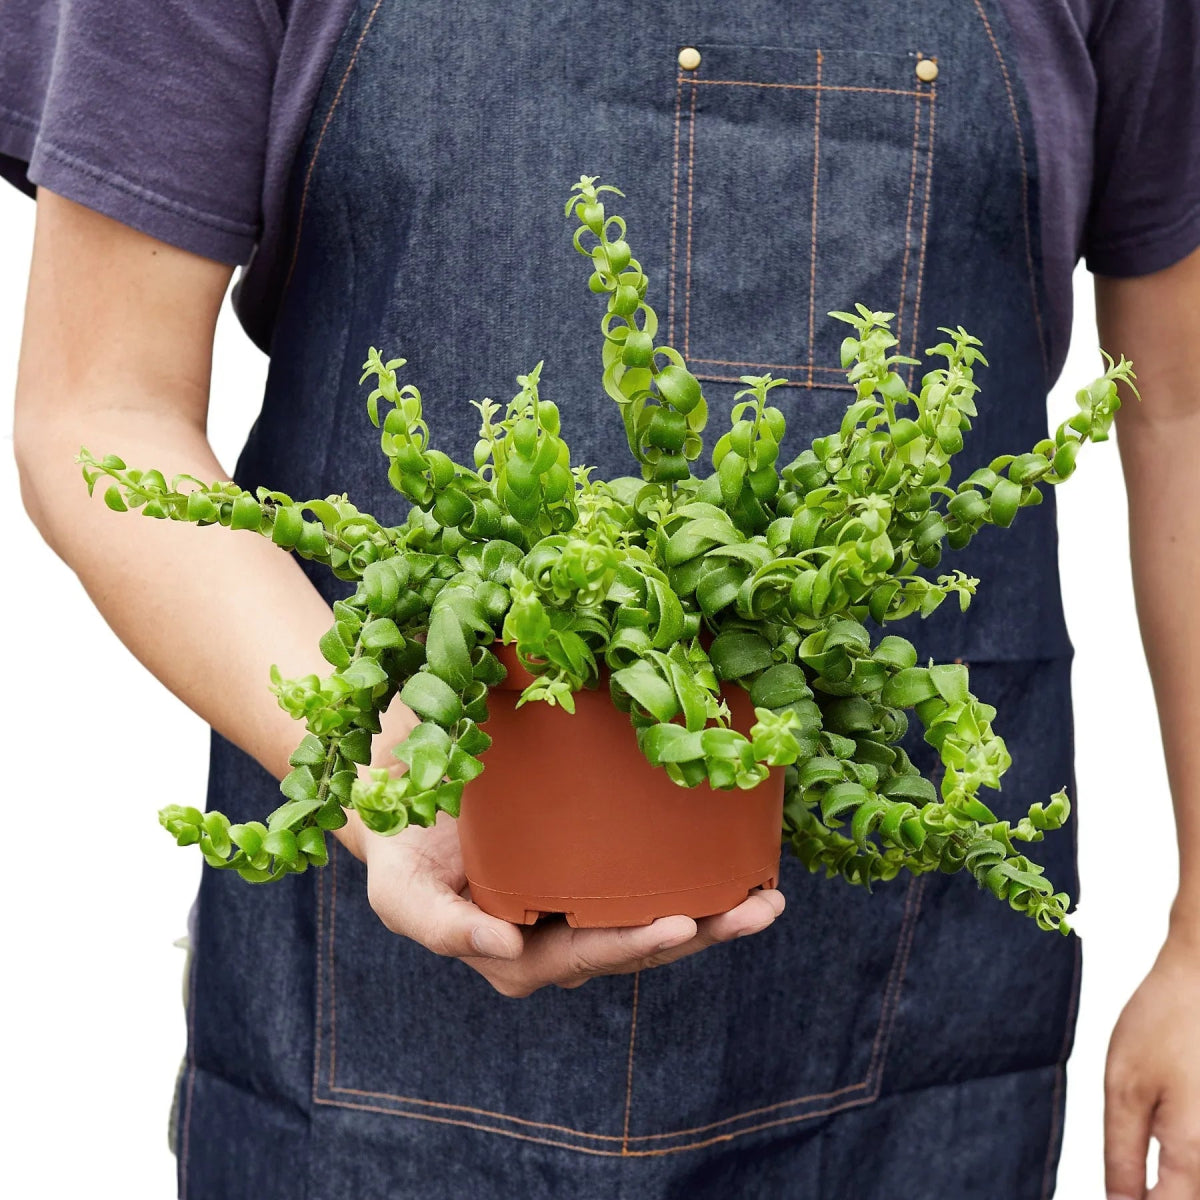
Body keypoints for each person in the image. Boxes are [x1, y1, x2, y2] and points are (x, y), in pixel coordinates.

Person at [4, 1, 1199, 1196]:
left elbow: (1182, 406)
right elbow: (100, 407)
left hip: (906, 1028)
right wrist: (388, 774)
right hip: (381, 1032)